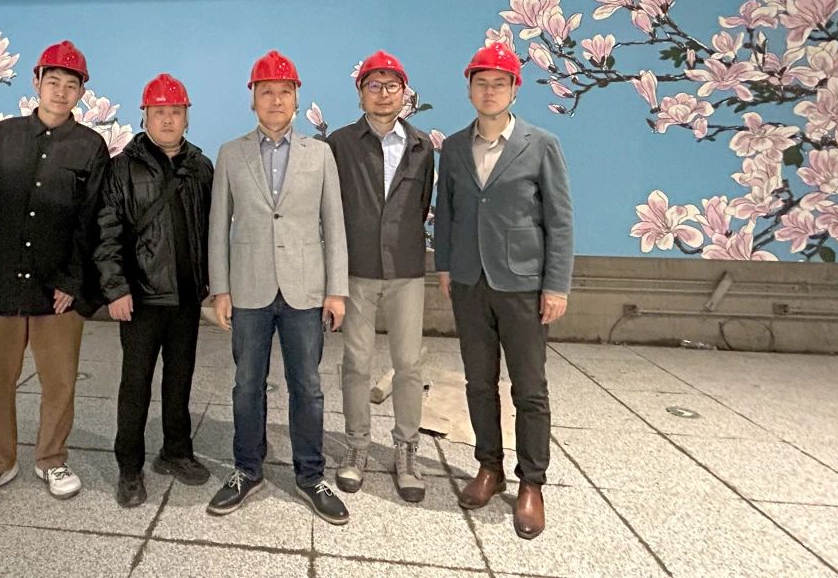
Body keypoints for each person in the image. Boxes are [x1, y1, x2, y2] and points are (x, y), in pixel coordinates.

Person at [0, 40, 110, 509]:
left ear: (82, 92)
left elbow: (92, 221)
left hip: (56, 289)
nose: (60, 92)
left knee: (59, 382)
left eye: (71, 85)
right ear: (36, 82)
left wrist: (74, 281)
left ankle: (51, 458)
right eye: (52, 81)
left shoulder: (90, 147)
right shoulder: (3, 135)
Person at [433, 42, 574, 540]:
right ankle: (488, 467)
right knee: (478, 382)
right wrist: (445, 266)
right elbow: (445, 213)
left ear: (514, 89)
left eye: (499, 83)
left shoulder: (542, 144)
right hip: (470, 282)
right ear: (469, 89)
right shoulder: (454, 147)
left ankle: (532, 482)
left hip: (522, 285)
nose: (489, 91)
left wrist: (556, 284)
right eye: (481, 83)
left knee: (529, 388)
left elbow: (560, 219)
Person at [205, 49, 351, 525]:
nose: (275, 99)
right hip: (248, 288)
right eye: (265, 91)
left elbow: (334, 224)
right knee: (247, 384)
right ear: (252, 98)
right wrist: (220, 289)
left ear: (296, 99)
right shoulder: (231, 153)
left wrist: (336, 290)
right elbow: (218, 227)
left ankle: (311, 474)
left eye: (284, 91)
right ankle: (247, 469)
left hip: (305, 290)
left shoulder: (319, 154)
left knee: (307, 386)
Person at [95, 73, 215, 508]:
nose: (167, 119)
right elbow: (107, 232)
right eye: (159, 111)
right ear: (144, 115)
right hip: (141, 298)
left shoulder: (200, 166)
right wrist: (115, 290)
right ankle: (129, 468)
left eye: (175, 111)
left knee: (180, 380)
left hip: (186, 297)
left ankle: (176, 452)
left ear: (187, 116)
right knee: (136, 385)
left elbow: (212, 232)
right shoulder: (122, 167)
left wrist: (212, 287)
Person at [326, 50, 434, 503]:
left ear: (404, 93)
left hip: (406, 269)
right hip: (357, 269)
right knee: (356, 362)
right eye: (374, 85)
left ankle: (406, 450)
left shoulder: (422, 145)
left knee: (408, 364)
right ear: (360, 93)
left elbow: (422, 205)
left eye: (392, 86)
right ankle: (356, 446)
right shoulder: (340, 144)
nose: (384, 94)